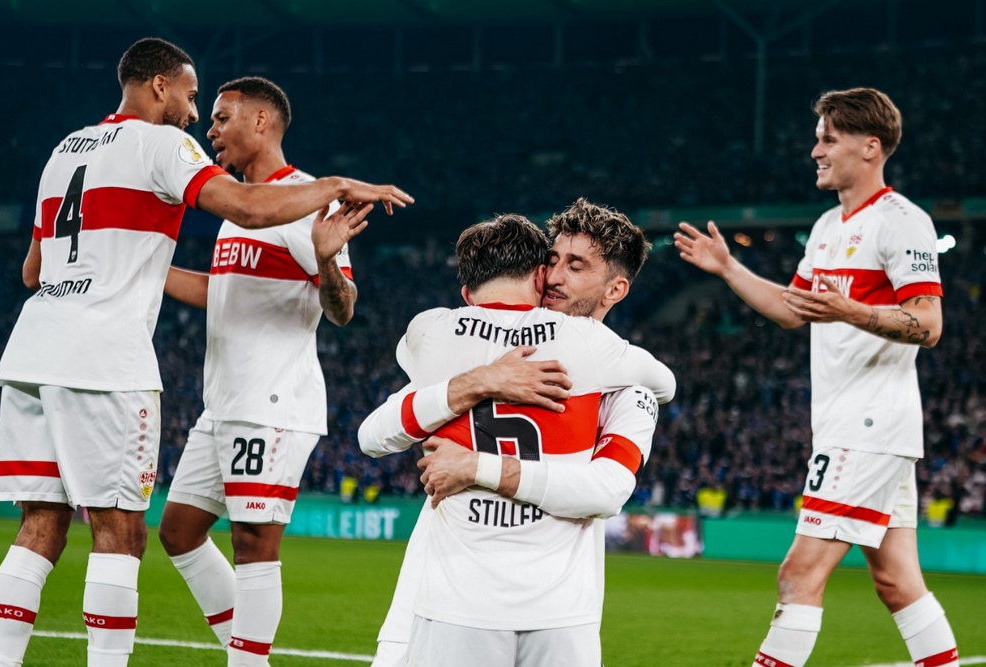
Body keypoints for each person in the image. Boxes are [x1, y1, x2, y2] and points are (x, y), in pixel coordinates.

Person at [0, 38, 411, 667]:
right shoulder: (165, 146)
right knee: (120, 531)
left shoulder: (64, 149)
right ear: (159, 86)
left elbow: (32, 271)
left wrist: (127, 262)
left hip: (35, 349)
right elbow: (246, 209)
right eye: (191, 98)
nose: (194, 117)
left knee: (38, 527)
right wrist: (340, 184)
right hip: (104, 359)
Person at [674, 88, 957, 667]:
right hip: (853, 425)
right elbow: (791, 310)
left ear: (870, 147)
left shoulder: (903, 222)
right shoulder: (829, 224)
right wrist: (727, 268)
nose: (815, 151)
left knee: (798, 573)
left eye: (828, 139)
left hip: (869, 426)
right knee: (897, 582)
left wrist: (850, 310)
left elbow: (929, 325)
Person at [359, 199, 671, 667]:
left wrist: (475, 467)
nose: (555, 276)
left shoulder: (627, 391)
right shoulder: (482, 359)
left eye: (575, 266)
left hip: (552, 608)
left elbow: (605, 491)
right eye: (552, 260)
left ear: (615, 288)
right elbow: (374, 432)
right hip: (437, 592)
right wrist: (482, 379)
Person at [154, 75, 369, 667]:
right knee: (178, 531)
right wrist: (144, 268)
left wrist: (326, 262)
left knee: (253, 542)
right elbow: (222, 291)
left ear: (260, 121)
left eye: (221, 118)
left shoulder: (305, 201)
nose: (210, 130)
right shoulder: (240, 209)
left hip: (272, 403)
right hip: (223, 403)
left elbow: (343, 309)